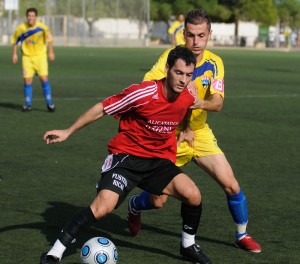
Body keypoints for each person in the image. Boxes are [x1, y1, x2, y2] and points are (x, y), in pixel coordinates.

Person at [40, 46, 212, 264]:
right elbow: (102, 109)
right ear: (167, 69)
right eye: (178, 73)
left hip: (158, 160)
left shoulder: (187, 94)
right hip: (127, 159)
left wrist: (187, 129)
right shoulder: (143, 93)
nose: (183, 80)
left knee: (192, 195)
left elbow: (186, 108)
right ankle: (55, 252)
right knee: (103, 208)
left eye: (188, 75)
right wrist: (68, 131)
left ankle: (187, 245)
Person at [127, 9, 262, 254]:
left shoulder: (214, 63)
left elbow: (218, 103)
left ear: (209, 34)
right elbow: (148, 87)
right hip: (169, 134)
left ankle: (242, 234)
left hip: (198, 132)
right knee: (158, 201)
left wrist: (196, 102)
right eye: (190, 35)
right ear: (184, 34)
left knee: (231, 184)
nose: (196, 42)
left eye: (201, 35)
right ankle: (135, 205)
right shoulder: (171, 58)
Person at [11, 7, 55, 112]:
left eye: (32, 16)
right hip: (27, 57)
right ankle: (28, 104)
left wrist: (51, 52)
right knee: (27, 80)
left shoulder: (43, 27)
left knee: (43, 78)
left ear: (36, 17)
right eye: (29, 16)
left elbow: (50, 40)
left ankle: (50, 103)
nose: (30, 18)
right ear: (26, 17)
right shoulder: (21, 28)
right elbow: (15, 41)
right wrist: (14, 54)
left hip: (40, 56)